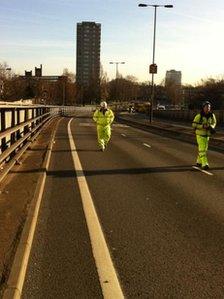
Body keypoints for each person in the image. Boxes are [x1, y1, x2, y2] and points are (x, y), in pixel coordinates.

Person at [192, 101, 216, 170]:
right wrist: (202, 126)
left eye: (209, 107)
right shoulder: (199, 116)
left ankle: (198, 161)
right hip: (200, 134)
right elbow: (193, 125)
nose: (208, 108)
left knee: (204, 149)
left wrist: (211, 127)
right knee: (202, 149)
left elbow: (214, 122)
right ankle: (204, 163)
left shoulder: (212, 115)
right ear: (203, 108)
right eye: (206, 107)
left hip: (207, 135)